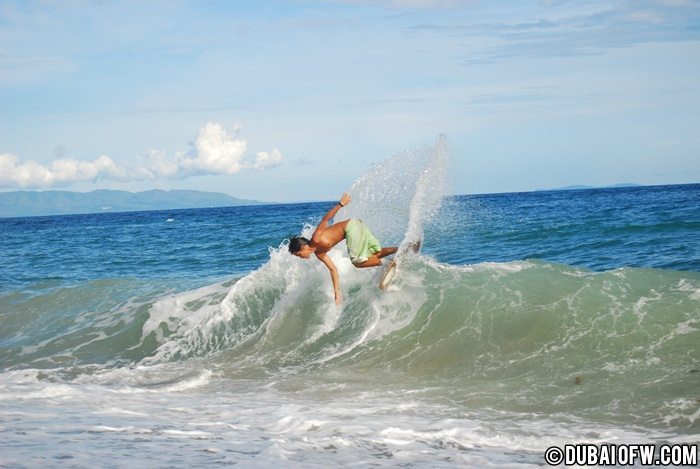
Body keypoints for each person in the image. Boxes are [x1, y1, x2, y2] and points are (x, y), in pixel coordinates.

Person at [289, 192, 397, 304]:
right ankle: (401, 249)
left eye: (298, 254)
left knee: (357, 262)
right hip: (357, 225)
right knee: (374, 253)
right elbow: (333, 269)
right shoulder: (319, 254)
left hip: (351, 227)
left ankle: (387, 263)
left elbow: (325, 219)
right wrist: (337, 293)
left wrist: (341, 204)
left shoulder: (316, 238)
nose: (300, 257)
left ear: (303, 248)